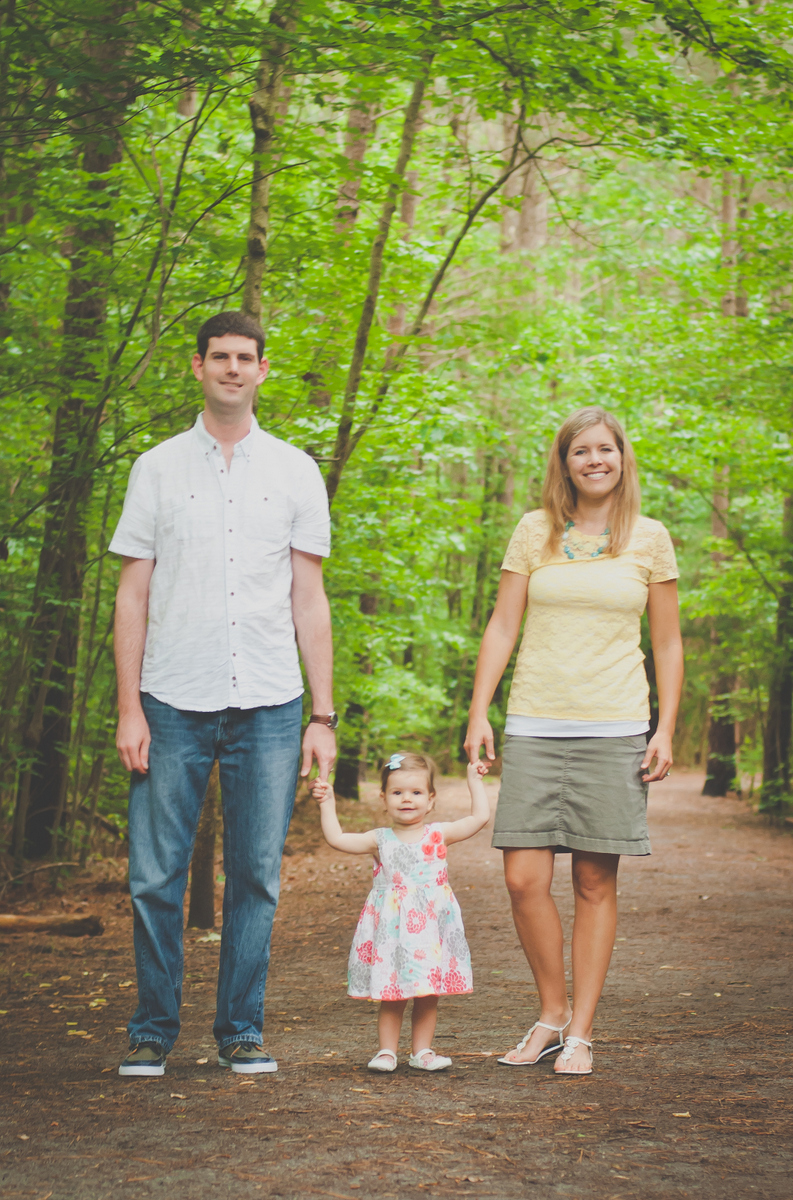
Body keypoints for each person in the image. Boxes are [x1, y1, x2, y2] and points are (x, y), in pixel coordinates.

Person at [110, 311, 337, 1078]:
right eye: (220, 357)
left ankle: (240, 1029)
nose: (233, 368)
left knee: (256, 876)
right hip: (170, 699)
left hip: (269, 703)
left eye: (245, 357)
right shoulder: (156, 468)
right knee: (154, 876)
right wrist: (129, 707)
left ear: (262, 370)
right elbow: (133, 593)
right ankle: (151, 1030)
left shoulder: (295, 471)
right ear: (198, 366)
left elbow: (309, 598)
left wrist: (322, 716)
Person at [465, 407, 683, 1076]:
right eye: (580, 450)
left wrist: (665, 727)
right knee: (522, 878)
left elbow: (668, 642)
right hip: (535, 722)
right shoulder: (534, 531)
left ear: (622, 458)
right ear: (564, 463)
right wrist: (478, 711)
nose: (594, 460)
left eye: (604, 449)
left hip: (615, 726)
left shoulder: (650, 538)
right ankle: (551, 1013)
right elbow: (503, 625)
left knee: (593, 880)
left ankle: (581, 1031)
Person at [312, 753, 490, 1072]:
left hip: (431, 931)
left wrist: (474, 781)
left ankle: (422, 1052)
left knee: (427, 993)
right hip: (393, 933)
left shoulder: (439, 834)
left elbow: (479, 818)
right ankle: (386, 1052)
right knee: (392, 992)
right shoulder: (378, 840)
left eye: (416, 792)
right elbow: (337, 839)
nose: (407, 799)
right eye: (397, 792)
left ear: (431, 800)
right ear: (383, 798)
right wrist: (327, 802)